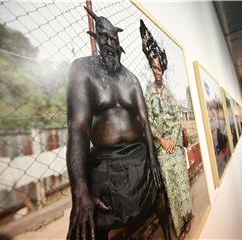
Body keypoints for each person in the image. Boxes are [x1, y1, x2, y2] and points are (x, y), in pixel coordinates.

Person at [66, 8, 170, 240]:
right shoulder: (84, 69)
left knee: (160, 195)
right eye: (105, 38)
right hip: (105, 160)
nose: (111, 44)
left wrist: (153, 161)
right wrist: (80, 189)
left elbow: (144, 122)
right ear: (96, 39)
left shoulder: (131, 79)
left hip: (139, 154)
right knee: (93, 220)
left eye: (114, 38)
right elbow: (78, 128)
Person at [141, 19, 192, 238]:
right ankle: (179, 225)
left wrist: (173, 140)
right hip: (163, 149)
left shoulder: (169, 91)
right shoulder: (148, 90)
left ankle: (188, 215)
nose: (157, 72)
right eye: (154, 68)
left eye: (160, 68)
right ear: (151, 68)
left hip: (176, 148)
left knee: (182, 183)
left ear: (164, 67)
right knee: (170, 188)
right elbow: (148, 119)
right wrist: (161, 139)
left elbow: (177, 119)